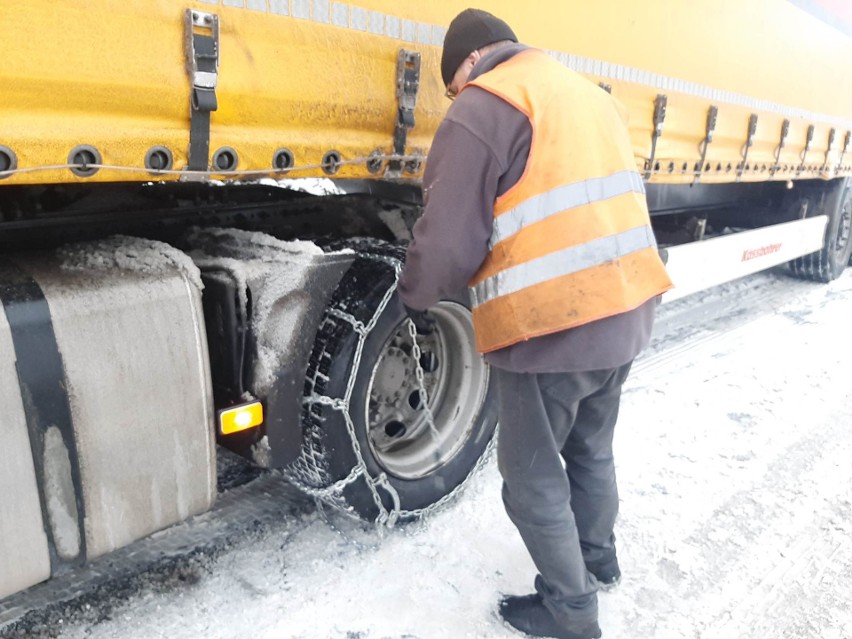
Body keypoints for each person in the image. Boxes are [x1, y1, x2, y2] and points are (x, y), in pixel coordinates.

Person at [397, 8, 673, 639]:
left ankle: (570, 612)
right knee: (590, 448)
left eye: (451, 86)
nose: (455, 99)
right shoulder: (584, 95)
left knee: (529, 477)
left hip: (553, 325)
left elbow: (446, 243)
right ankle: (598, 563)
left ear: (467, 62)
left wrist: (415, 296)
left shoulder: (482, 104)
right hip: (628, 305)